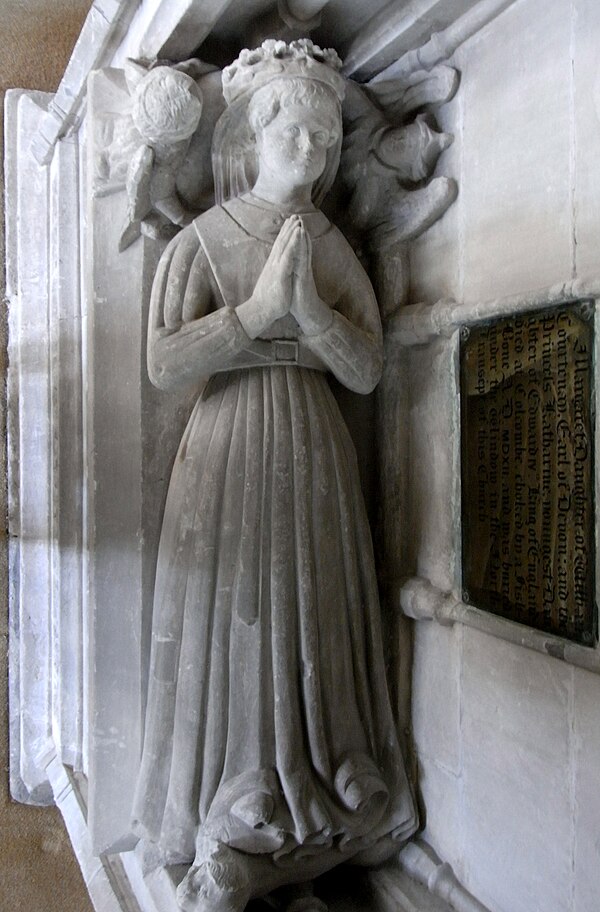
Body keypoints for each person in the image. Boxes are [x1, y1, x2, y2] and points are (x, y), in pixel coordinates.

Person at [132, 39, 417, 912]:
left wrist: (311, 319)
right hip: (227, 450)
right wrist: (259, 313)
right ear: (256, 136)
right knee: (242, 611)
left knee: (316, 604)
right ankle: (240, 794)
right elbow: (163, 361)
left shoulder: (329, 243)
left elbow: (367, 369)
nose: (317, 151)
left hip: (314, 447)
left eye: (329, 138)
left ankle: (331, 776)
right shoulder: (204, 239)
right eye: (300, 131)